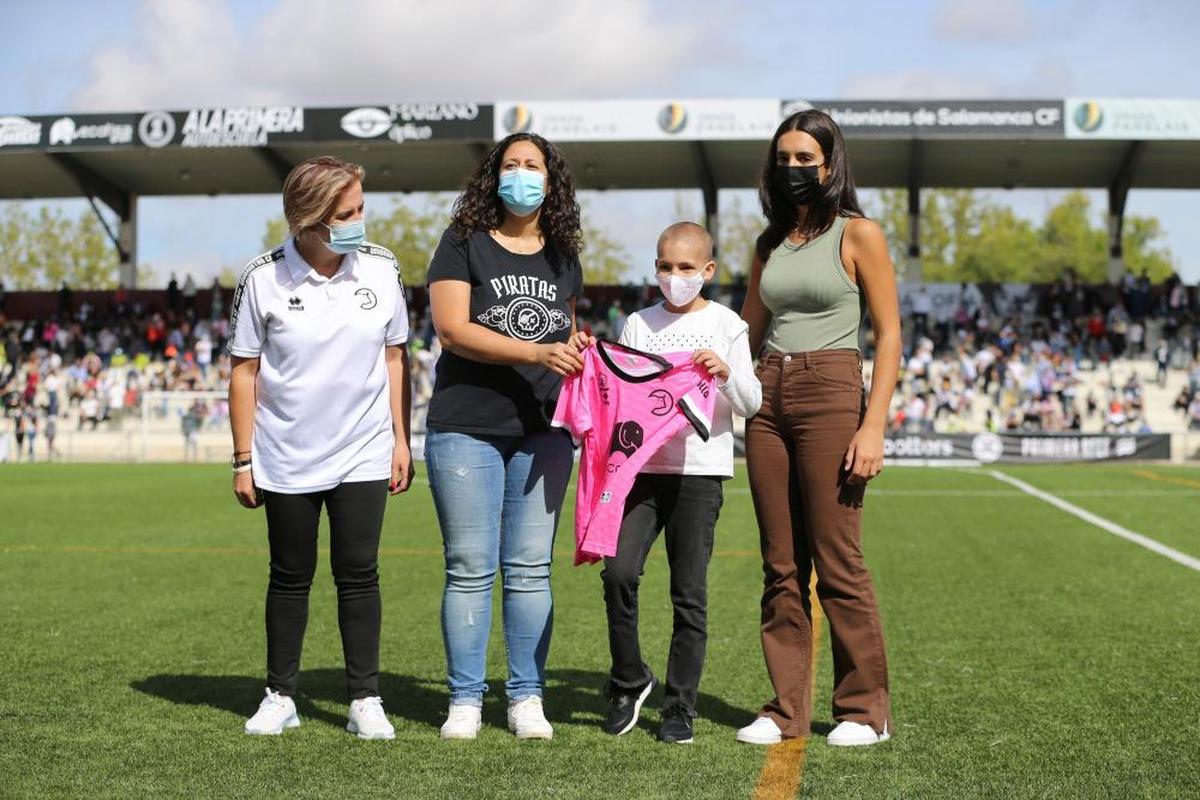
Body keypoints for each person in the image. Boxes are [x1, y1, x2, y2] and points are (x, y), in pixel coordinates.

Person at [228, 155, 414, 740]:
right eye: (346, 212)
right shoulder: (261, 277)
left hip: (363, 449)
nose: (360, 220)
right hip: (284, 453)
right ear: (307, 221)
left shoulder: (382, 269)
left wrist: (401, 440)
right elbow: (243, 371)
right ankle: (280, 694)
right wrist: (242, 457)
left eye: (360, 206)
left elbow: (394, 358)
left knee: (359, 574)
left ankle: (365, 699)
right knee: (290, 575)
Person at [736, 109, 900, 747]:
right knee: (780, 566)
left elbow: (889, 334)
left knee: (838, 562)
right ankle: (785, 711)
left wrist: (873, 424)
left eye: (807, 158)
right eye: (785, 158)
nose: (795, 169)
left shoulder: (859, 235)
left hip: (833, 391)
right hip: (767, 398)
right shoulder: (767, 242)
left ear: (831, 164)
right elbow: (747, 329)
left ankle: (865, 711)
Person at [425, 132, 589, 741]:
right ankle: (464, 700)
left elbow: (564, 336)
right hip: (466, 426)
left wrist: (575, 352)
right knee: (470, 567)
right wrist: (538, 351)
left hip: (544, 433)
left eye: (533, 166)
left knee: (529, 570)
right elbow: (452, 329)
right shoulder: (462, 241)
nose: (521, 175)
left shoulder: (565, 255)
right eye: (511, 165)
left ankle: (526, 697)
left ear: (552, 182)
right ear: (493, 177)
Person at [600, 222, 761, 744]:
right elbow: (619, 392)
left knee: (687, 594)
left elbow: (752, 403)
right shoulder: (638, 325)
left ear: (708, 271)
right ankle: (629, 679)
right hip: (641, 472)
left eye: (687, 268)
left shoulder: (727, 325)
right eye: (666, 267)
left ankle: (680, 706)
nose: (675, 277)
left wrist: (723, 374)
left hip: (699, 473)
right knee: (618, 573)